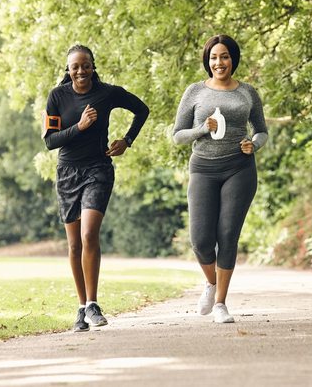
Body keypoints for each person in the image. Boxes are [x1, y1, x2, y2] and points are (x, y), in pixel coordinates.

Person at [43, 44, 149, 332]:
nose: (80, 71)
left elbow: (142, 109)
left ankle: (93, 303)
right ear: (69, 69)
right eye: (75, 66)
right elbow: (50, 141)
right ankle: (81, 308)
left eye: (85, 65)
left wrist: (127, 141)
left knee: (89, 234)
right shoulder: (57, 96)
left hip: (98, 170)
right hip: (67, 173)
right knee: (74, 244)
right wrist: (79, 126)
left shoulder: (107, 93)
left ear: (92, 66)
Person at [172, 34, 268, 323]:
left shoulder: (247, 92)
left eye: (224, 56)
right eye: (214, 57)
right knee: (200, 240)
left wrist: (255, 143)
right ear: (207, 61)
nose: (219, 62)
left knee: (227, 235)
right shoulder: (195, 92)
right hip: (203, 168)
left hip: (239, 168)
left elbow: (261, 130)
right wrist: (201, 129)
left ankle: (221, 304)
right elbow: (177, 135)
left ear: (232, 59)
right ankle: (211, 284)